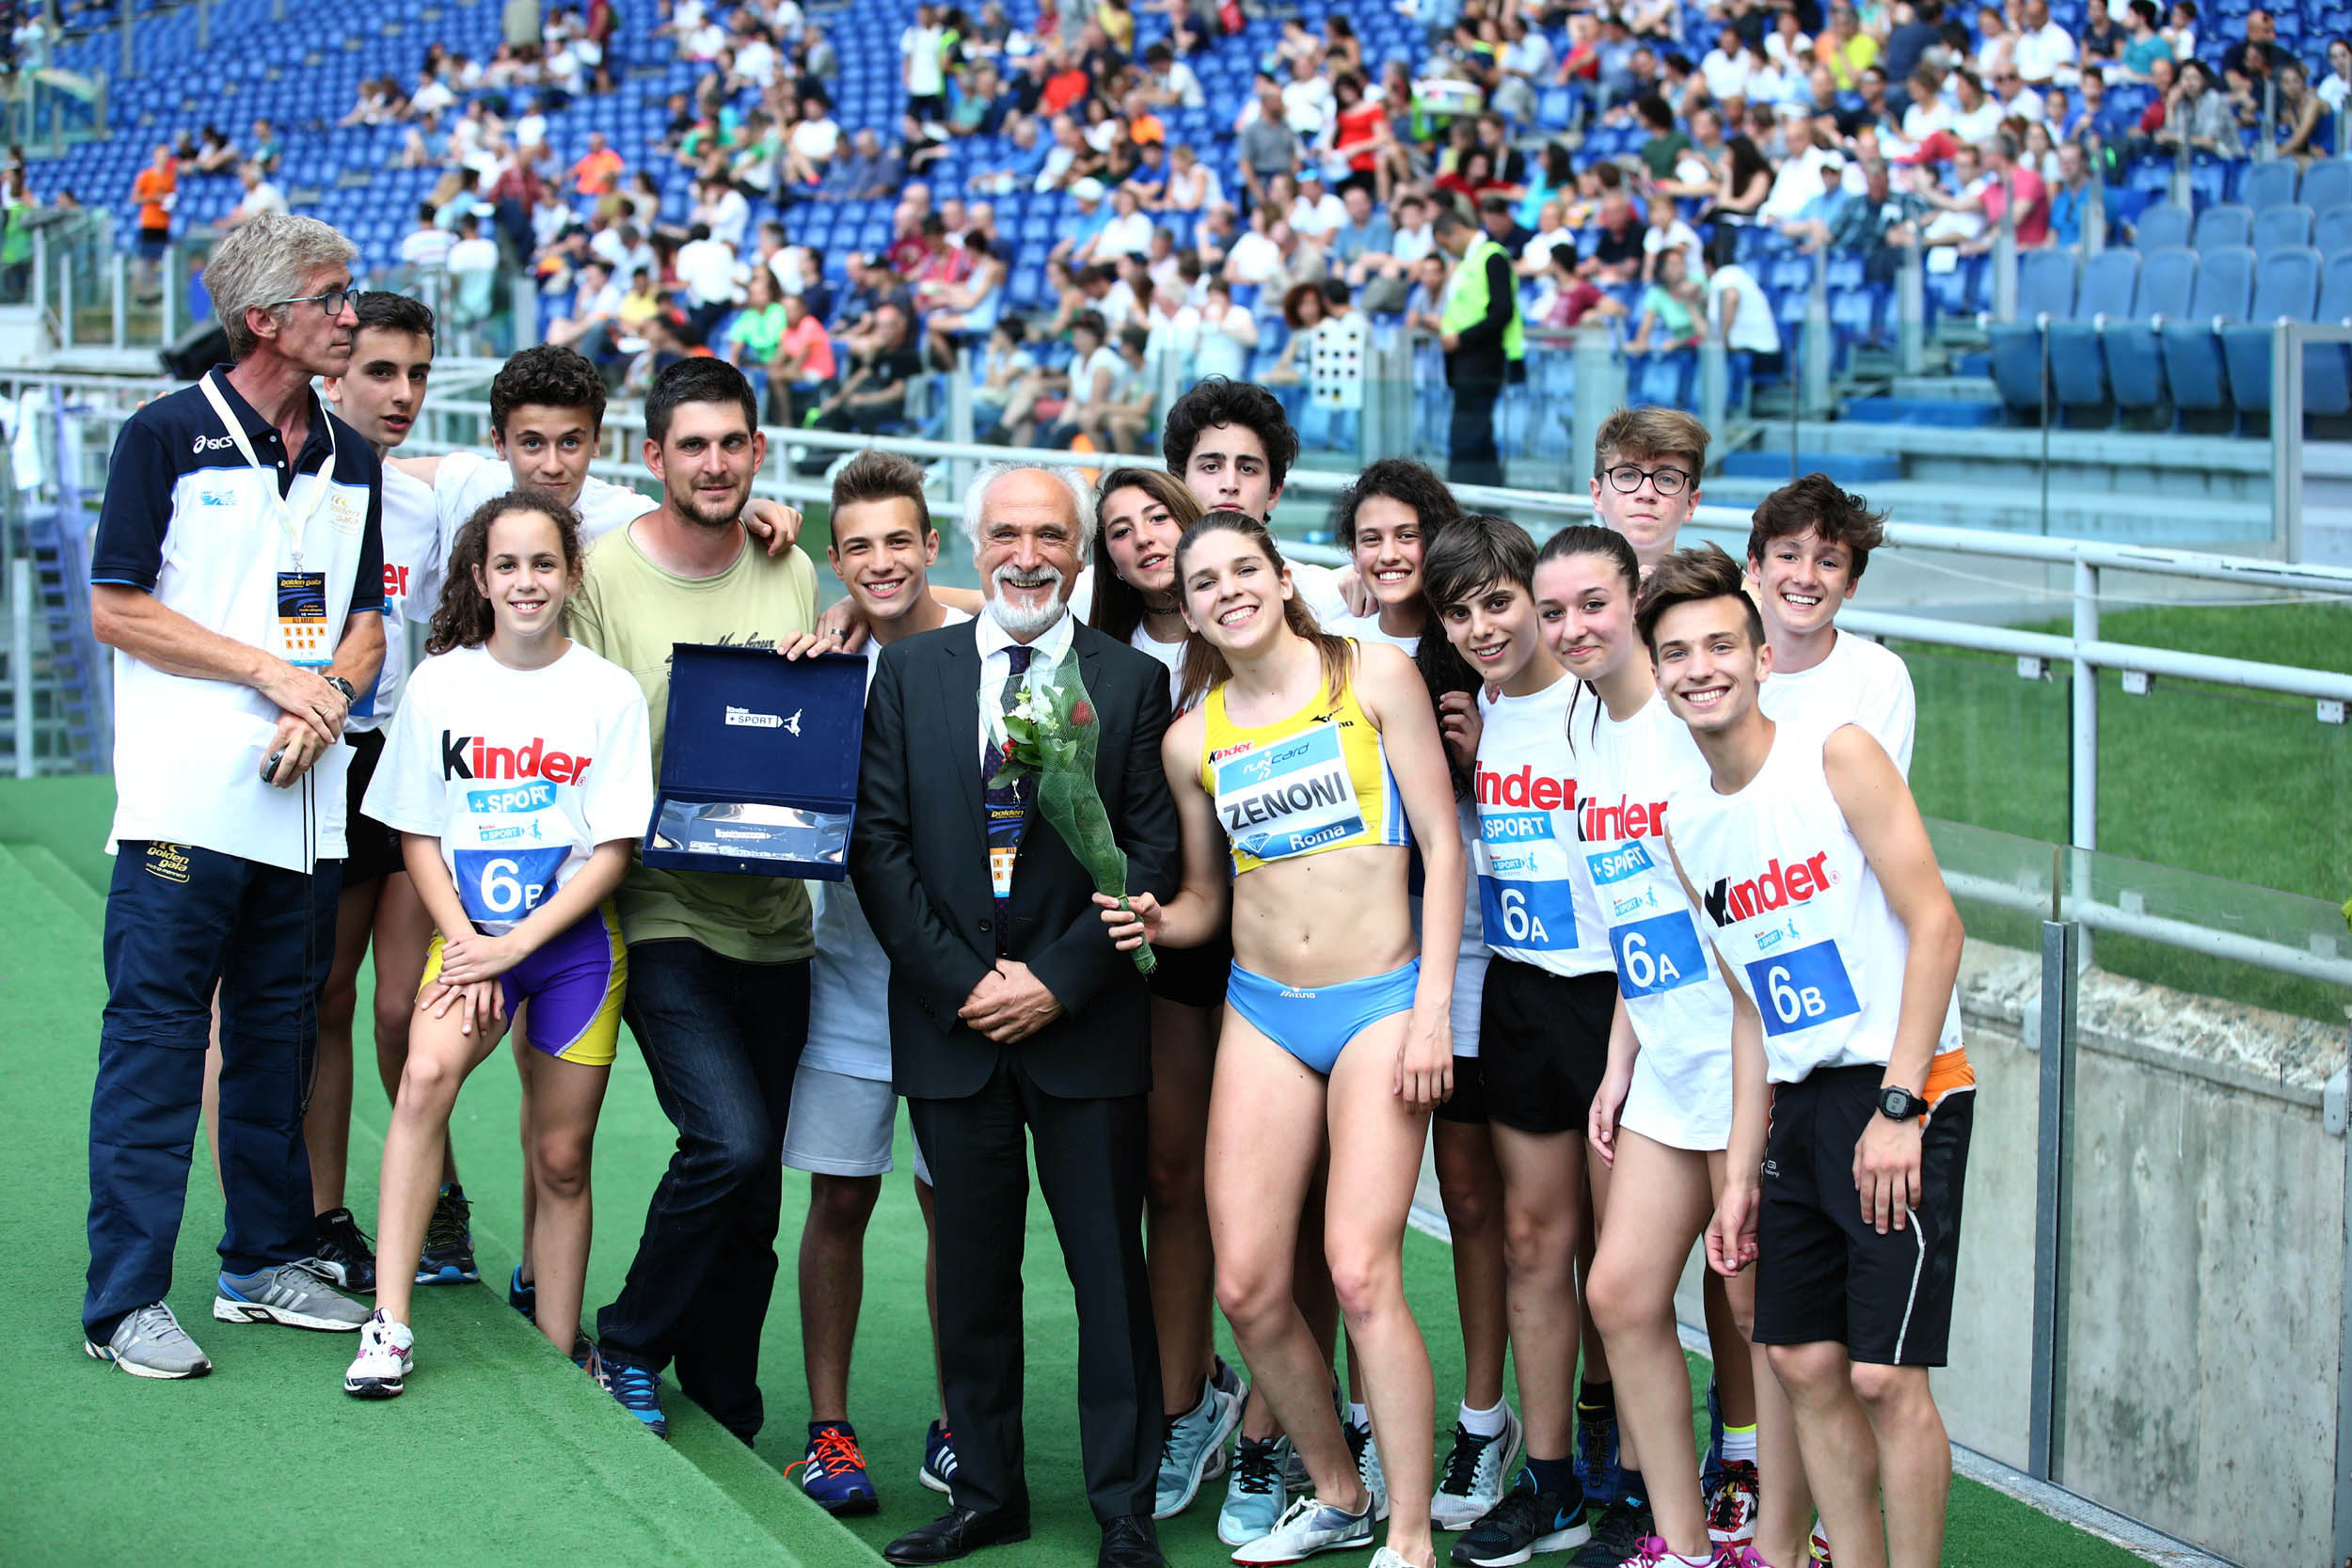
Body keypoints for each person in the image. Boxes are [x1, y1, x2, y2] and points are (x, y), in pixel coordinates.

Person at [1100, 506, 1461, 1568]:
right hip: (1261, 1008)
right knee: (1248, 1286)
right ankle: (1338, 1491)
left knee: (1357, 1270)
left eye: (1242, 569)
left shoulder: (1373, 676)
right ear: (1188, 607)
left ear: (1283, 575)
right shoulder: (1191, 739)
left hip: (1380, 1002)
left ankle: (1407, 1533)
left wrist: (1433, 1010)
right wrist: (1159, 921)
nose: (1228, 591)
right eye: (1204, 582)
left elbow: (1444, 846)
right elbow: (1208, 899)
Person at [851, 463, 1180, 1568]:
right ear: (973, 545)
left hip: (1084, 1025)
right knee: (973, 1272)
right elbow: (878, 845)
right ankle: (986, 1491)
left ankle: (1124, 1504)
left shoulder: (1131, 680)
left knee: (1109, 1272)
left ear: (1079, 554)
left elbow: (1149, 848)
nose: (1026, 555)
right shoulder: (911, 671)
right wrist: (964, 982)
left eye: (1049, 535)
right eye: (1005, 534)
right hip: (953, 1027)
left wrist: (1057, 978)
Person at [83, 214, 385, 1377]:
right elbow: (118, 607)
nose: (350, 315)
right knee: (157, 1044)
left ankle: (264, 1260)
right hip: (183, 804)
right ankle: (123, 1302)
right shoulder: (163, 434)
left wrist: (326, 698)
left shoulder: (350, 453)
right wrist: (272, 674)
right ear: (264, 319)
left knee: (277, 1039)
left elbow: (364, 624)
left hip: (303, 805)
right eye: (332, 297)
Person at [1645, 545, 1973, 1568]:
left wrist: (1900, 1105)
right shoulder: (1682, 822)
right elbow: (1749, 1006)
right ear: (1655, 673)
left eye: (1718, 646)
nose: (1699, 668)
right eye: (1675, 653)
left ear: (1759, 658)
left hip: (1900, 1085)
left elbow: (1938, 925)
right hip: (1798, 1103)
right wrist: (1738, 1175)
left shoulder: (1839, 754)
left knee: (1884, 1375)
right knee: (1796, 1358)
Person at [1533, 527, 1811, 1568]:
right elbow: (1633, 919)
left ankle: (1779, 1540)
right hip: (1663, 1058)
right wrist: (1619, 1064)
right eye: (1553, 611)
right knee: (1619, 1292)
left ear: (1634, 605)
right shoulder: (1589, 732)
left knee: (1756, 1307)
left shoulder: (1688, 724)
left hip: (1744, 1059)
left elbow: (1745, 924)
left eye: (1593, 604)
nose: (1573, 628)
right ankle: (1685, 1546)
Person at [341, 487, 652, 1397]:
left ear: (572, 574)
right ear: (479, 576)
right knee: (424, 1078)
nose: (526, 581)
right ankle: (390, 1324)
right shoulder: (441, 681)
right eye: (507, 564)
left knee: (561, 1157)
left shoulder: (607, 692)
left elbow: (612, 853)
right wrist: (469, 942)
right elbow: (417, 832)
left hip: (571, 951)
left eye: (544, 563)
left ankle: (556, 1351)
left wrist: (514, 947)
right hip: (470, 942)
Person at [566, 359, 823, 1441]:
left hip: (781, 916)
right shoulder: (598, 575)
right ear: (653, 456)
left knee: (755, 1191)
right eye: (692, 445)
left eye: (731, 444)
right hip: (660, 903)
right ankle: (626, 1340)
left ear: (758, 451)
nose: (714, 464)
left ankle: (726, 1400)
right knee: (728, 1139)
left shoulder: (791, 564)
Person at [1324, 464, 1521, 1538]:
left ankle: (1485, 1421)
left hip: (1484, 952)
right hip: (1369, 961)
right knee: (1369, 1211)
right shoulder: (1331, 638)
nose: (1390, 553)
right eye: (1371, 536)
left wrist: (1474, 759)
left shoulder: (1477, 649)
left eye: (1408, 533)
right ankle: (1363, 1421)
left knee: (1476, 1196)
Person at [1420, 516, 1617, 1568]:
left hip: (1617, 999)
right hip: (1521, 994)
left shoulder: (1601, 700)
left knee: (1619, 1265)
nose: (1483, 627)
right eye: (1460, 612)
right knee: (1535, 1246)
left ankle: (1633, 1475)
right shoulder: (1485, 709)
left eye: (1500, 602)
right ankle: (1549, 1483)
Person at [772, 451, 967, 1512]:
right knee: (839, 1194)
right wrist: (844, 624)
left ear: (931, 544)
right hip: (847, 972)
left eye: (900, 541)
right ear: (834, 561)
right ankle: (829, 1430)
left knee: (953, 1206)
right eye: (859, 548)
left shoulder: (986, 651)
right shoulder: (824, 664)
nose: (883, 561)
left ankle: (959, 1422)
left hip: (956, 985)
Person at [1083, 467, 1252, 1525]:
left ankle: (1297, 1411)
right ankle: (1187, 1396)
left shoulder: (1249, 614)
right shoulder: (1093, 646)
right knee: (1170, 1174)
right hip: (1165, 934)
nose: (1143, 537)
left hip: (1282, 926)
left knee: (1283, 1194)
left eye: (1158, 516)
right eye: (1118, 529)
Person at [300, 293, 445, 1294]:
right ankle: (317, 1214)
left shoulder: (425, 501)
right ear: (332, 376)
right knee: (323, 995)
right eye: (381, 372)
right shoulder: (292, 485)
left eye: (417, 374)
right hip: (310, 749)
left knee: (397, 1002)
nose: (402, 394)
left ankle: (428, 1200)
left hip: (395, 761)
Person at [1748, 474, 1917, 775]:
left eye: (1828, 563)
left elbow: (1876, 800)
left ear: (1851, 583)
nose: (1805, 578)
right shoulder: (1717, 665)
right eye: (1788, 556)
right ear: (1756, 567)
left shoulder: (1879, 675)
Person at [1429, 206, 1520, 489]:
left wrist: (1461, 338)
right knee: (1478, 439)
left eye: (1446, 244)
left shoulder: (1492, 257)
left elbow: (1502, 312)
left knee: (1467, 438)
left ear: (1456, 231)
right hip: (1465, 363)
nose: (1447, 251)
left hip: (1482, 362)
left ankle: (1463, 503)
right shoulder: (1468, 262)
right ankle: (1488, 504)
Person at [131, 143, 176, 298]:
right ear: (155, 157)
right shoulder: (146, 176)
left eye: (167, 156)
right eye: (162, 155)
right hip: (150, 223)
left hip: (163, 223)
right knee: (146, 258)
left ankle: (153, 292)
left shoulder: (169, 178)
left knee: (159, 260)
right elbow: (135, 198)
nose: (164, 159)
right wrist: (153, 198)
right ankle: (141, 291)